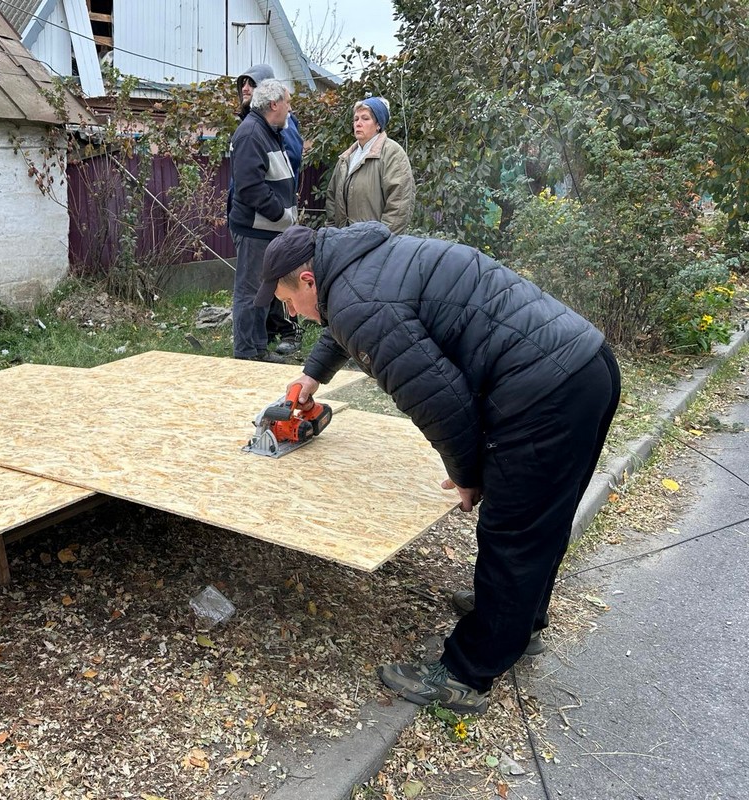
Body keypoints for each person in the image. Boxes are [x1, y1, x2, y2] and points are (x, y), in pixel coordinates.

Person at [255, 222, 621, 714]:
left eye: (287, 299)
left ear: (307, 280)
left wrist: (468, 474)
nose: (289, 311)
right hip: (584, 365)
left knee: (511, 532)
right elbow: (352, 321)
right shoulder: (360, 259)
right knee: (539, 520)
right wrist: (311, 375)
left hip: (542, 394)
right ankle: (519, 621)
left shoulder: (357, 301)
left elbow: (442, 403)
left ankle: (467, 674)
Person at [232, 64, 304, 356]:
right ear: (274, 104)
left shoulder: (270, 129)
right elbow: (249, 188)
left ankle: (259, 347)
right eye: (287, 101)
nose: (290, 107)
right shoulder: (251, 133)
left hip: (268, 228)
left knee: (263, 291)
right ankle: (248, 353)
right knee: (251, 294)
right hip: (257, 228)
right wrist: (279, 214)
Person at [325, 97, 414, 233]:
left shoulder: (392, 153)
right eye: (356, 119)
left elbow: (399, 205)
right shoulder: (346, 158)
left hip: (377, 247)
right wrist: (331, 234)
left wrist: (380, 241)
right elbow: (332, 199)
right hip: (344, 243)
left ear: (378, 124)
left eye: (365, 118)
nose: (358, 124)